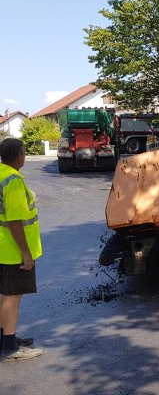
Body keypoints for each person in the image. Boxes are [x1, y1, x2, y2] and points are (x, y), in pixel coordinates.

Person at [0, 138, 43, 362]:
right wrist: (26, 254)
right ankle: (9, 348)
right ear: (19, 155)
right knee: (12, 298)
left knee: (4, 296)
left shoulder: (0, 174)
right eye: (24, 153)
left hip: (2, 249)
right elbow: (15, 221)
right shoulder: (13, 180)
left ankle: (5, 340)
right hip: (13, 251)